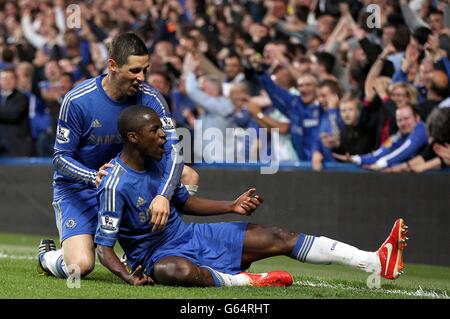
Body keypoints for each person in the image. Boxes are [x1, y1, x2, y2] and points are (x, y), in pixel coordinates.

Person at [94, 105, 408, 287]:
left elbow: (184, 202)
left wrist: (231, 206)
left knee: (279, 235)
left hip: (191, 235)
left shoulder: (161, 160)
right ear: (134, 137)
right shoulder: (114, 184)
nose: (163, 135)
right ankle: (247, 281)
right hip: (155, 257)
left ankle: (375, 261)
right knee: (176, 272)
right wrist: (128, 277)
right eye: (155, 131)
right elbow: (104, 249)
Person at [37, 32, 197, 280]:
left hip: (128, 185)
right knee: (80, 267)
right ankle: (48, 257)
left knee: (188, 174)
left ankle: (155, 246)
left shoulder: (152, 99)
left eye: (145, 69)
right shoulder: (78, 101)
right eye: (134, 70)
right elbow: (59, 158)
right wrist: (93, 176)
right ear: (112, 65)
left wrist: (164, 196)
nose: (141, 78)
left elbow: (175, 152)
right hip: (81, 188)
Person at [334, 105, 428, 171]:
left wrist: (381, 163)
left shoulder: (422, 129)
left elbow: (406, 149)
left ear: (417, 118)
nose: (403, 123)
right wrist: (355, 159)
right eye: (399, 120)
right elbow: (380, 153)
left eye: (407, 118)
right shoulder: (398, 135)